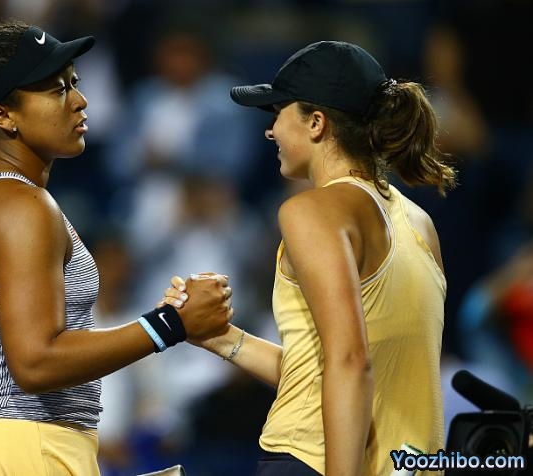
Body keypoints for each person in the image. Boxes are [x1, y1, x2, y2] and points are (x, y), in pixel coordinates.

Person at [0, 21, 232, 475]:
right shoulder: (22, 205)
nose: (80, 100)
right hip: (24, 452)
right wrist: (170, 325)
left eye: (73, 83)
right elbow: (36, 363)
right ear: (4, 116)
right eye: (56, 90)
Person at [162, 40, 456, 475]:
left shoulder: (310, 211)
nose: (271, 131)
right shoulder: (420, 222)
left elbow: (351, 362)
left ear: (316, 122)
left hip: (314, 462)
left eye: (278, 112)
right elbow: (331, 372)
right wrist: (219, 338)